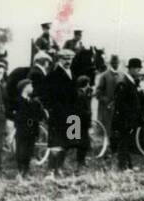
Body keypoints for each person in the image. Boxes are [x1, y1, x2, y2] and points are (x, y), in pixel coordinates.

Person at [43, 49, 77, 177]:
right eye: (65, 58)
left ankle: (59, 168)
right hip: (58, 115)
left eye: (70, 59)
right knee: (56, 144)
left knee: (67, 143)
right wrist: (53, 110)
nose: (68, 61)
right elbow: (46, 96)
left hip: (72, 114)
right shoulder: (53, 75)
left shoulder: (73, 73)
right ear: (59, 59)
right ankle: (51, 171)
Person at [113, 59, 144, 169]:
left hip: (129, 118)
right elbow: (121, 104)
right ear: (130, 68)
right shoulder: (124, 82)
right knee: (123, 142)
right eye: (137, 68)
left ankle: (128, 165)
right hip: (124, 118)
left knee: (127, 142)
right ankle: (123, 166)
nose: (139, 70)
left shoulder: (130, 81)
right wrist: (129, 118)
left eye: (139, 68)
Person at [13, 80, 46, 177]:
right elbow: (17, 116)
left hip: (32, 129)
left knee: (29, 150)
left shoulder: (33, 101)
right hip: (22, 129)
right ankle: (20, 171)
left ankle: (26, 171)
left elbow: (39, 115)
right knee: (21, 150)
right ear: (25, 88)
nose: (32, 87)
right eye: (30, 86)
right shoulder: (18, 101)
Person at [94, 56, 121, 149]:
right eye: (113, 63)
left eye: (117, 62)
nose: (115, 64)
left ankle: (115, 146)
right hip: (107, 107)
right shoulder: (104, 76)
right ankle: (106, 146)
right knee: (107, 127)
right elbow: (98, 92)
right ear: (110, 63)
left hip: (118, 106)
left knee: (117, 126)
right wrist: (106, 100)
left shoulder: (122, 75)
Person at [71, 75, 93, 171]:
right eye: (88, 84)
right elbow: (81, 110)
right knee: (82, 144)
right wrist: (88, 115)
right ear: (86, 84)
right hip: (81, 123)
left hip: (78, 122)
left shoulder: (79, 93)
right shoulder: (81, 95)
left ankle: (81, 162)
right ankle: (80, 163)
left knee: (81, 143)